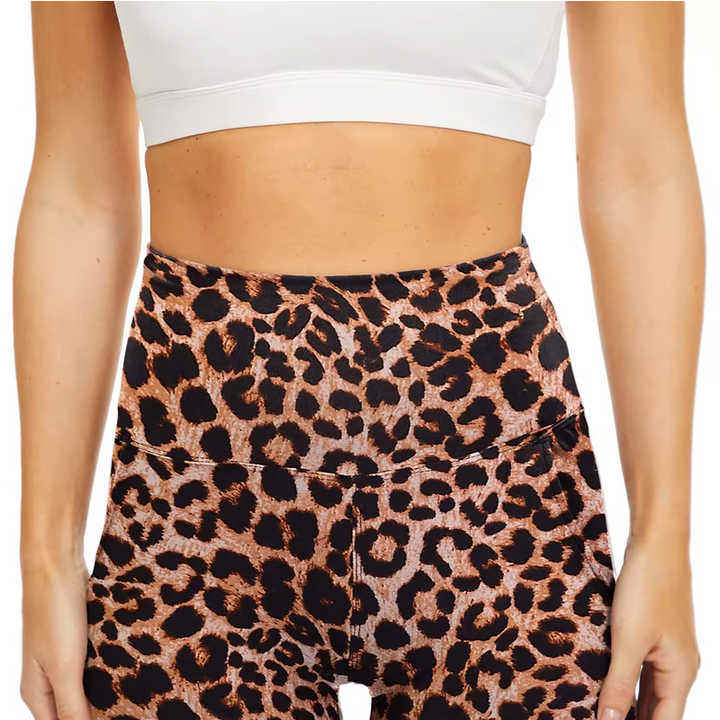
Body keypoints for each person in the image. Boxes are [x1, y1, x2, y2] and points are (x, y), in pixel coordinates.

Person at [15, 2, 703, 720]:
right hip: (195, 501)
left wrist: (665, 537)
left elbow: (641, 166)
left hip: (496, 484)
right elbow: (78, 190)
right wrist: (45, 557)